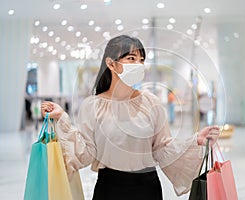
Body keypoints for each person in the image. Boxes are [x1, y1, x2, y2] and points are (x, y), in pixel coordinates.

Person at [41, 35, 220, 200]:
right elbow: (86, 152)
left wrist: (196, 140)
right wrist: (61, 119)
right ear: (111, 64)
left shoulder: (152, 103)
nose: (139, 64)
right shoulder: (92, 105)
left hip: (147, 189)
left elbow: (163, 150)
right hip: (109, 189)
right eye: (131, 59)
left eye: (141, 60)